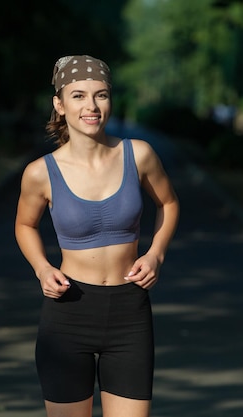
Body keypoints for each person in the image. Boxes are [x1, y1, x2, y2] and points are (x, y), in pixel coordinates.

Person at [14, 55, 180, 417]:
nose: (91, 106)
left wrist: (156, 254)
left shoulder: (139, 155)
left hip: (129, 313)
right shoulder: (40, 173)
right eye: (78, 96)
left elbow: (168, 204)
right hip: (68, 313)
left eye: (100, 95)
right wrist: (42, 268)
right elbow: (25, 225)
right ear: (59, 104)